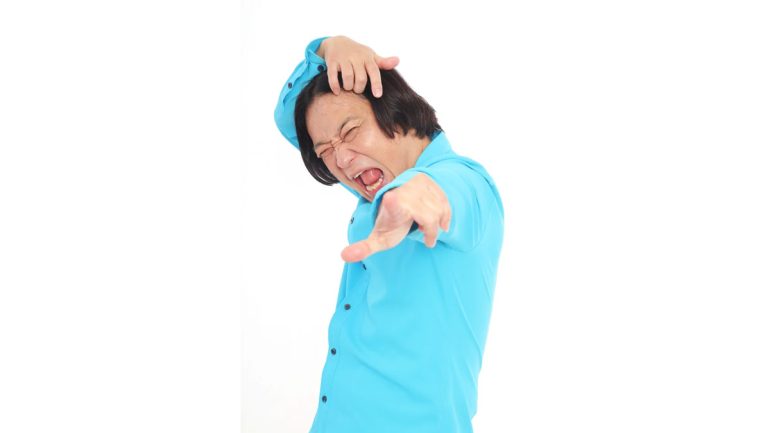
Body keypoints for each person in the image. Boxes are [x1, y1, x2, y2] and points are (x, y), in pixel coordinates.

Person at [273, 35, 505, 433]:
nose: (340, 159)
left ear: (395, 113)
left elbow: (439, 193)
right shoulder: (371, 173)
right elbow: (289, 120)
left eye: (349, 131)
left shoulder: (467, 181)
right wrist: (329, 49)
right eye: (325, 150)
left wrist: (411, 201)